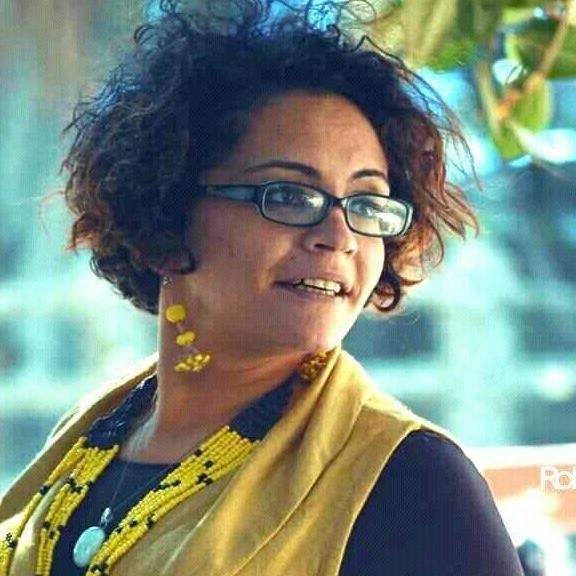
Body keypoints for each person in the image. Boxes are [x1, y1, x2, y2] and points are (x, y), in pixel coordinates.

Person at [0, 0, 524, 574]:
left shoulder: (410, 483)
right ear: (166, 216)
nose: (339, 237)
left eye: (366, 202)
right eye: (290, 196)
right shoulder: (93, 434)